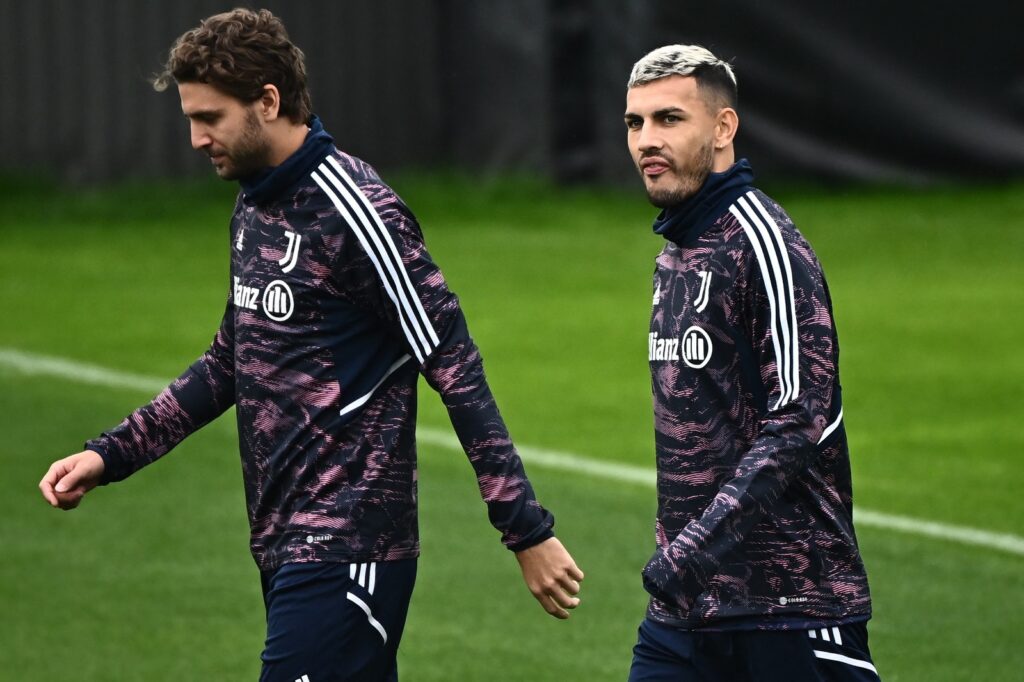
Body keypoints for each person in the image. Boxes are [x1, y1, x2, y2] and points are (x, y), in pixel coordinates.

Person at [38, 8, 583, 681]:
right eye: (190, 118)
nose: (195, 138)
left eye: (210, 118)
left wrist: (524, 529)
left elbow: (454, 363)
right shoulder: (255, 205)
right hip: (282, 543)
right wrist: (110, 454)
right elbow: (230, 363)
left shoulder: (358, 211)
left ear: (268, 101)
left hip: (349, 544)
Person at [623, 45, 880, 680]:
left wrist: (691, 550)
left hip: (789, 610)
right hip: (685, 616)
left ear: (723, 128)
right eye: (635, 123)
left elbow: (799, 420)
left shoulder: (766, 247)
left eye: (669, 119)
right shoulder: (677, 250)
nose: (647, 140)